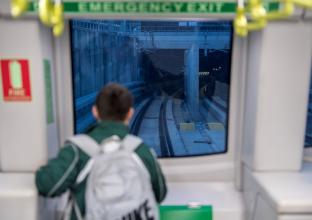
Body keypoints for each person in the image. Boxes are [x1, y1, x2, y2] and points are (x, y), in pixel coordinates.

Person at [36, 83, 167, 220]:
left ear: (94, 111)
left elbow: (48, 186)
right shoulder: (141, 150)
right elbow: (161, 193)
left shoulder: (77, 150)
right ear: (130, 113)